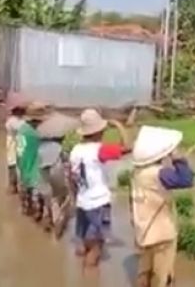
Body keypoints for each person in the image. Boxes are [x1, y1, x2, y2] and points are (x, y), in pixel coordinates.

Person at [130, 126, 194, 287]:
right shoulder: (160, 174)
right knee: (161, 276)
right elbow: (186, 180)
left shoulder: (137, 172)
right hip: (162, 234)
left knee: (144, 272)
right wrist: (179, 160)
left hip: (143, 231)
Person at [68, 109, 131, 270]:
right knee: (96, 246)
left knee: (83, 244)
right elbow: (127, 147)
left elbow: (71, 176)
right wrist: (119, 125)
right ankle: (89, 277)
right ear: (99, 131)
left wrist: (75, 197)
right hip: (98, 202)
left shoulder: (76, 150)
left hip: (82, 202)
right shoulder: (99, 150)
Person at [16, 102, 50, 216]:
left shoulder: (22, 130)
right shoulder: (35, 134)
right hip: (34, 171)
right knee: (38, 203)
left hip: (23, 169)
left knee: (27, 201)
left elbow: (20, 152)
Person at [4, 93, 28, 195]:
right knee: (13, 163)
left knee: (15, 163)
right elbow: (21, 129)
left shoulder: (14, 120)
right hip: (14, 142)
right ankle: (14, 185)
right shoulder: (13, 121)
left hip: (16, 141)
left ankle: (14, 186)